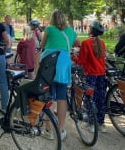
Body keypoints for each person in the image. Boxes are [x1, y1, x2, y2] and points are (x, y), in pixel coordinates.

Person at [39, 9, 80, 141]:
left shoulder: (49, 29)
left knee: (49, 97)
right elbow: (77, 43)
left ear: (52, 19)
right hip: (63, 64)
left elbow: (42, 44)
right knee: (62, 98)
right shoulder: (71, 31)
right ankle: (61, 130)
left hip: (49, 64)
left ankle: (48, 129)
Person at [71, 20, 107, 133]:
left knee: (89, 98)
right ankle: (101, 123)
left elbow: (81, 61)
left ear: (91, 30)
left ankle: (91, 123)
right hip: (101, 73)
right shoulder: (102, 43)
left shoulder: (86, 43)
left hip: (90, 74)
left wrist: (73, 56)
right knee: (100, 97)